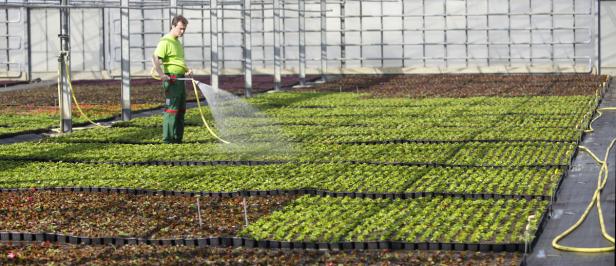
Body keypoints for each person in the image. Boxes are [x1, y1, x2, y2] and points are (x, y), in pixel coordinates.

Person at [152, 15, 193, 144]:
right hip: (172, 80)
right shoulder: (166, 41)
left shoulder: (177, 42)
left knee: (181, 109)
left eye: (184, 29)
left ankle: (177, 139)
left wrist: (187, 70)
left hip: (180, 79)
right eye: (180, 28)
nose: (182, 32)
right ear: (173, 26)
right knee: (171, 109)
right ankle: (167, 140)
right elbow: (155, 57)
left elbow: (178, 61)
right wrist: (161, 74)